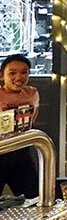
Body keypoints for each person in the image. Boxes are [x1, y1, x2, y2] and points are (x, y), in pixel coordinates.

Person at [0, 53, 40, 197]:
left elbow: (32, 119)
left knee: (34, 196)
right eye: (12, 73)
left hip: (22, 150)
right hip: (1, 150)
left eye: (24, 72)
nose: (18, 77)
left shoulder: (32, 94)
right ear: (2, 75)